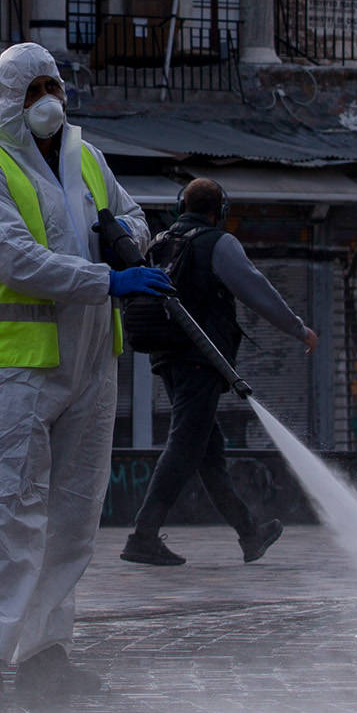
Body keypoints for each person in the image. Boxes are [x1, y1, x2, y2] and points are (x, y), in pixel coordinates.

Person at [0, 42, 164, 709]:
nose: (48, 100)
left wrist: (126, 237)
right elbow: (17, 260)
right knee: (4, 509)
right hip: (16, 364)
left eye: (55, 86)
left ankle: (43, 653)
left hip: (93, 360)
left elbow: (135, 215)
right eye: (35, 87)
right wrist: (108, 276)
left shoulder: (85, 159)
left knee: (72, 515)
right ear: (7, 96)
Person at [121, 177, 313, 566]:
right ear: (218, 211)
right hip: (201, 358)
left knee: (207, 451)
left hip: (167, 357)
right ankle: (142, 535)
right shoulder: (217, 243)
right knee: (184, 444)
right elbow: (256, 289)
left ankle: (249, 533)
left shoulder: (160, 241)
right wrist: (297, 328)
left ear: (181, 206)